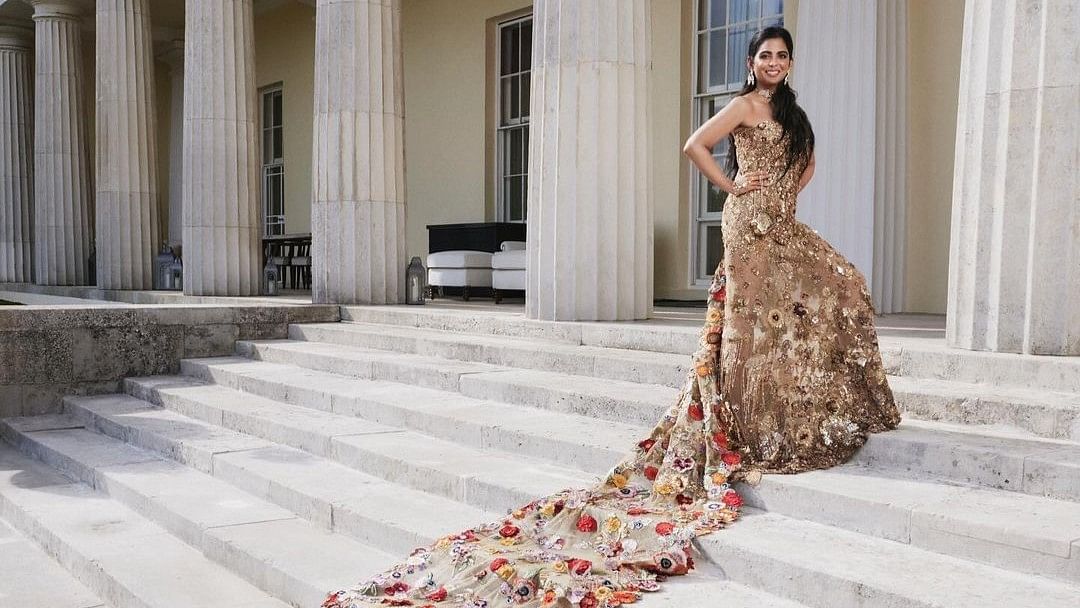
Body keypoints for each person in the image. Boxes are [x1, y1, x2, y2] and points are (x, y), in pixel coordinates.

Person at [324, 25, 899, 608]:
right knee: (751, 326)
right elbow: (694, 146)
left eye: (781, 55)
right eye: (764, 55)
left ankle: (795, 403)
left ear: (790, 64)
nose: (773, 62)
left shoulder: (793, 115)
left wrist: (785, 193)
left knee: (835, 286)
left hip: (778, 222)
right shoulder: (744, 105)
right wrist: (736, 188)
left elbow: (809, 165)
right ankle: (746, 421)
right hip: (747, 225)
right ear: (752, 62)